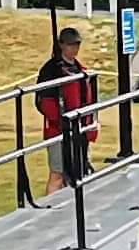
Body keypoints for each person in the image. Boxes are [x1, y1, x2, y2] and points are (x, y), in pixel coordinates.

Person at [36, 24, 99, 187]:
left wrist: (89, 124)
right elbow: (45, 102)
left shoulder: (79, 69)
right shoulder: (51, 71)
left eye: (77, 44)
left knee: (80, 171)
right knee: (57, 173)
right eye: (71, 44)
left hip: (79, 129)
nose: (74, 48)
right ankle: (52, 202)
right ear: (61, 45)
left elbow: (88, 101)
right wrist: (62, 122)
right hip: (58, 129)